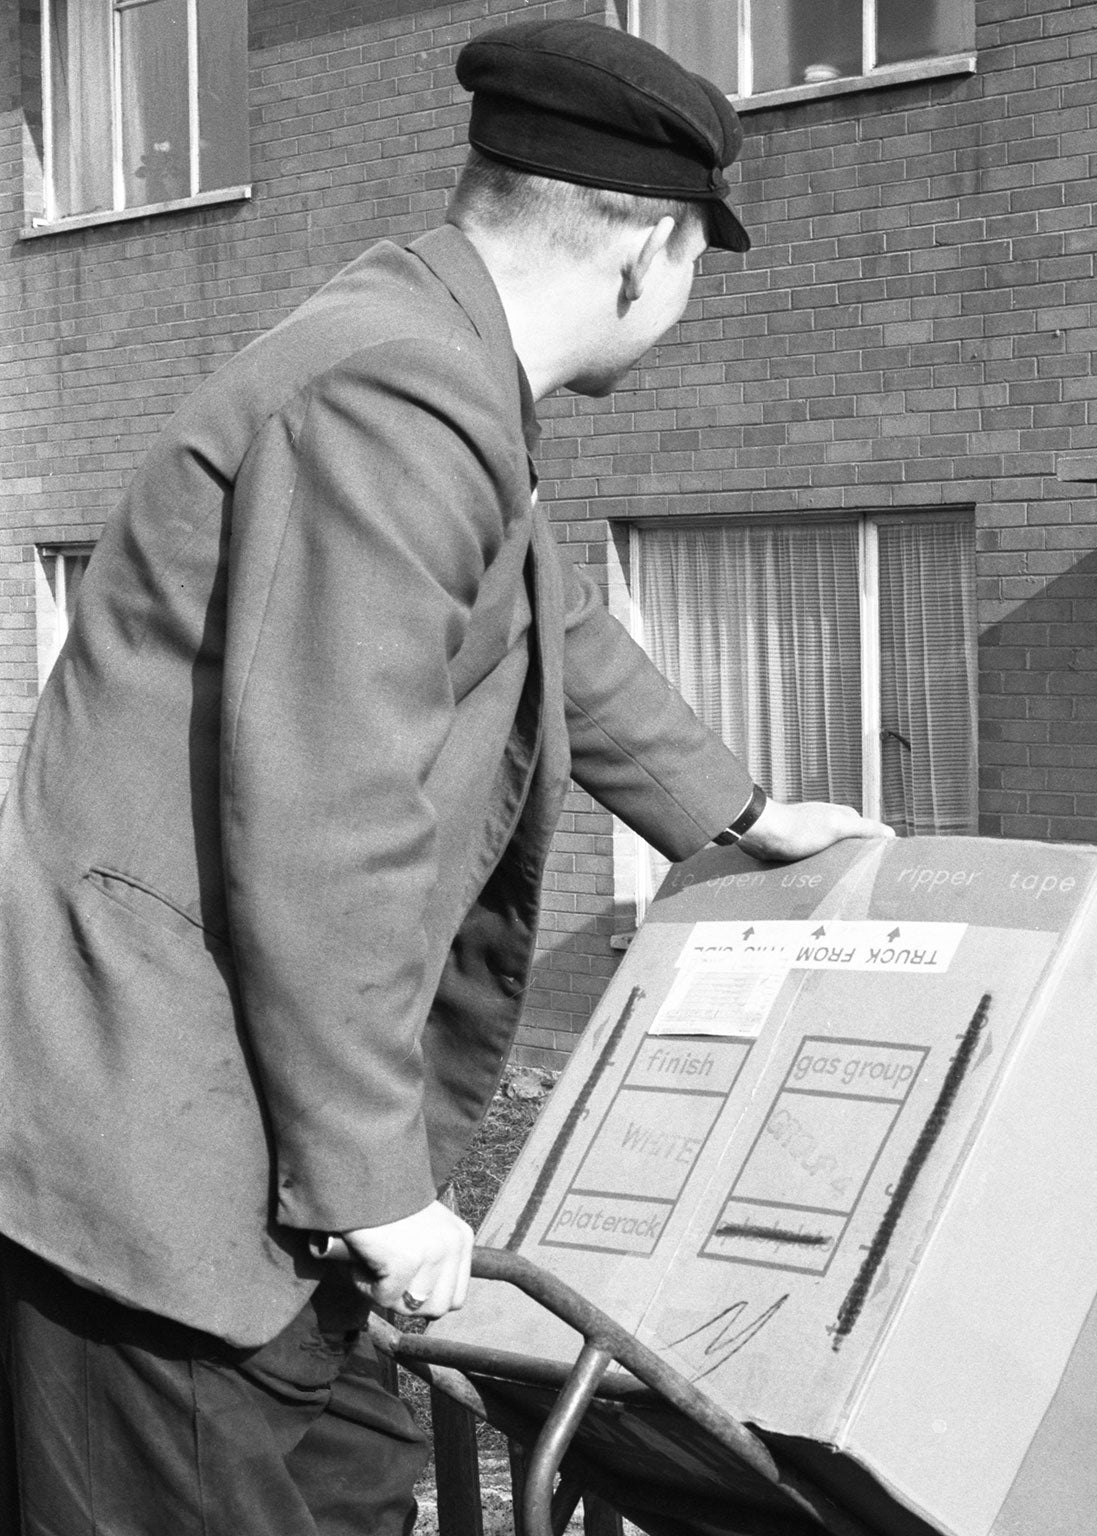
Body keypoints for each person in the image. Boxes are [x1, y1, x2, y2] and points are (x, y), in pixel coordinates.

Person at [0, 20, 892, 1535]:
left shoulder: (423, 348)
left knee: (361, 1481)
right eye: (694, 274)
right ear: (648, 254)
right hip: (165, 1173)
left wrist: (732, 810)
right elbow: (326, 815)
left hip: (234, 1143)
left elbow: (544, 620)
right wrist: (375, 1189)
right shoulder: (399, 394)